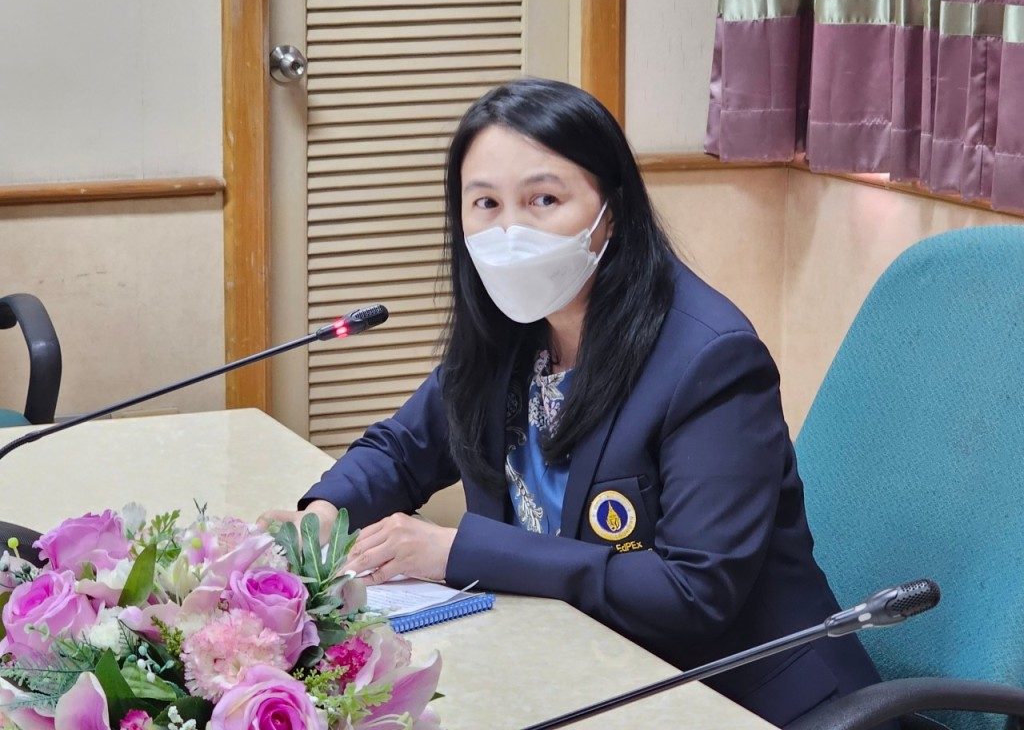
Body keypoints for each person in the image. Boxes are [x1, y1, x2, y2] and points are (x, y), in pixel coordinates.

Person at [260, 78, 891, 728]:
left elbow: (692, 593)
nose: (510, 230)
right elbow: (403, 449)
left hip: (746, 700)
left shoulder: (711, 359)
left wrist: (456, 552)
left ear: (610, 209)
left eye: (544, 199)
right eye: (485, 203)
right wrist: (325, 514)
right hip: (588, 673)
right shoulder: (510, 330)